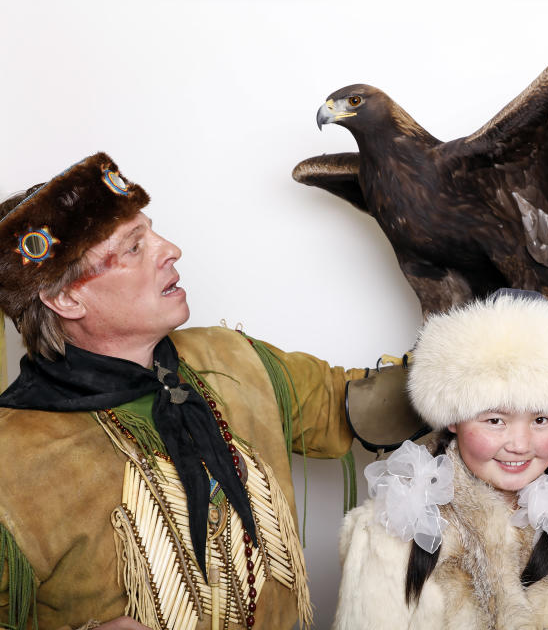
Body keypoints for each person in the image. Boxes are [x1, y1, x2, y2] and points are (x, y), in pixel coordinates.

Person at [0, 152, 370, 630]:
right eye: (134, 247)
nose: (170, 248)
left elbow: (356, 403)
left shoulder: (229, 358)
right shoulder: (12, 458)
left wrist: (476, 355)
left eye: (152, 230)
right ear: (66, 298)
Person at [333, 291, 548, 629]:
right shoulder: (394, 531)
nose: (520, 445)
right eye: (495, 420)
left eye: (541, 420)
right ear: (455, 417)